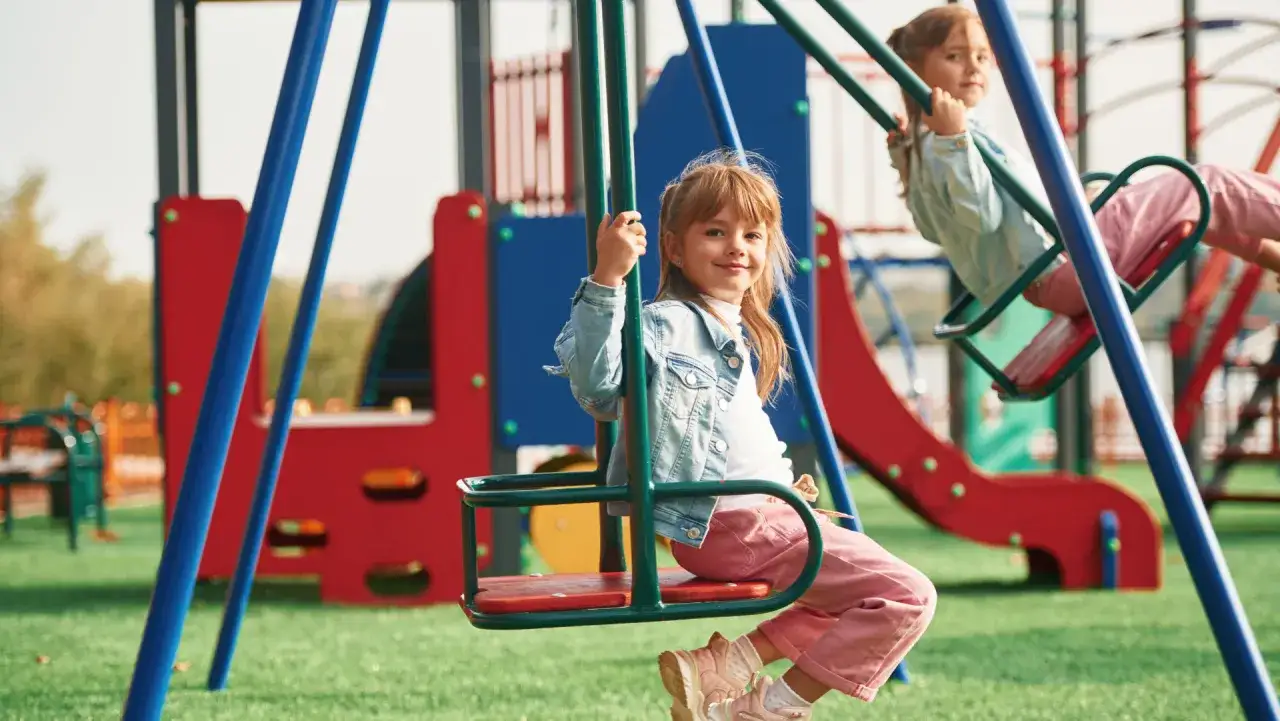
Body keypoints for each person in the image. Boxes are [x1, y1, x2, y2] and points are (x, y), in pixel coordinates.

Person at [545, 150, 937, 720]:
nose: (737, 247)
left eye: (753, 235)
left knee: (851, 597)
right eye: (715, 231)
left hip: (760, 515)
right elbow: (599, 388)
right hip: (734, 522)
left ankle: (727, 665)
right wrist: (608, 277)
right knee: (907, 595)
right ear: (675, 248)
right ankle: (766, 709)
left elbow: (726, 433)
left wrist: (779, 487)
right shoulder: (667, 322)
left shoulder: (730, 326)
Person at [884, 5, 1280, 318]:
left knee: (1190, 206)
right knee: (1204, 184)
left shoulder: (923, 143)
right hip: (1068, 266)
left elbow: (935, 229)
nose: (974, 67)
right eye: (955, 56)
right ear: (913, 70)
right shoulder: (946, 140)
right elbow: (980, 217)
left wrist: (911, 159)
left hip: (1056, 270)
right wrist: (955, 143)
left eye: (983, 57)